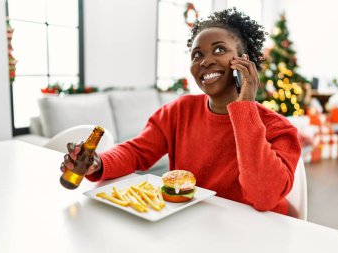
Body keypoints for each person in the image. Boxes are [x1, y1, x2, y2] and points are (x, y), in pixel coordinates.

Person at [61, 8, 301, 215]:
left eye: (219, 50)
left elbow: (264, 197)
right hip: (195, 225)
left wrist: (245, 105)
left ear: (244, 61)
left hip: (260, 233)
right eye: (197, 55)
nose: (205, 61)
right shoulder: (179, 111)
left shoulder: (279, 128)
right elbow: (137, 151)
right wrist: (97, 162)